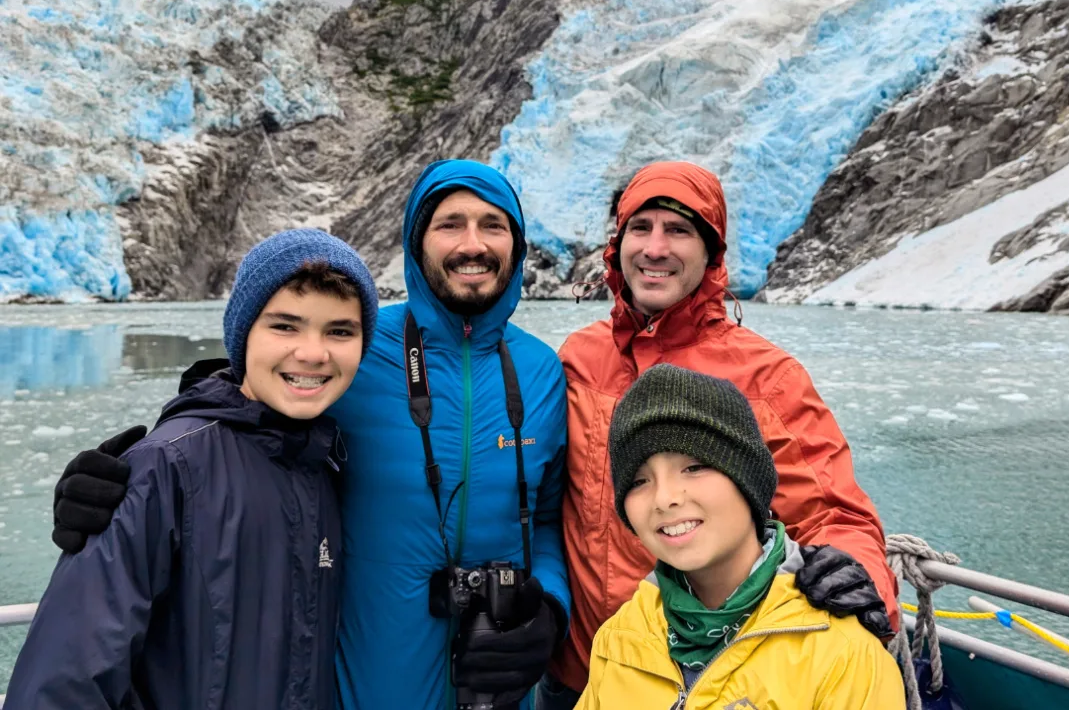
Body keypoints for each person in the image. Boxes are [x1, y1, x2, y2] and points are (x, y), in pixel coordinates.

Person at [46, 160, 570, 710]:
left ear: (517, 244)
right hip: (356, 687)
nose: (472, 243)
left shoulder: (540, 371)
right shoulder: (358, 349)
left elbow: (552, 519)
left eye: (493, 225)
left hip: (497, 691)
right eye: (449, 223)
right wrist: (124, 488)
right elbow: (246, 409)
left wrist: (551, 612)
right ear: (416, 242)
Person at [541, 161, 900, 708]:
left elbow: (835, 515)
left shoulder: (767, 377)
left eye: (679, 230)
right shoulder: (579, 360)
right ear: (616, 246)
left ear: (711, 253)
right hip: (583, 672)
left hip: (715, 678)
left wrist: (861, 576)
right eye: (641, 228)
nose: (655, 248)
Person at [6, 228, 379, 709]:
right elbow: (62, 684)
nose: (312, 352)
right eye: (284, 326)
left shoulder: (324, 463)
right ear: (243, 335)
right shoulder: (167, 467)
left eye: (340, 331)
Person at [577, 363, 905, 709]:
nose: (664, 498)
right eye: (639, 481)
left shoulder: (841, 654)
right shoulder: (620, 638)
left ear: (748, 481)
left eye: (694, 467)